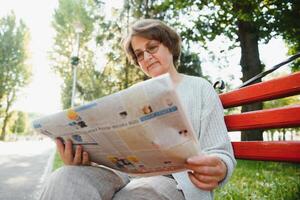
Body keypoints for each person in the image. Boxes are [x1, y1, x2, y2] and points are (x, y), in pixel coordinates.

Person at [39, 19, 236, 200]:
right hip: (121, 174)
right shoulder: (132, 94)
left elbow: (220, 152)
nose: (146, 57)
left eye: (152, 47)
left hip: (173, 181)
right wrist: (81, 157)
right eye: (139, 54)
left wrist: (220, 167)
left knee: (136, 195)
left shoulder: (199, 87)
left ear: (170, 45)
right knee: (65, 177)